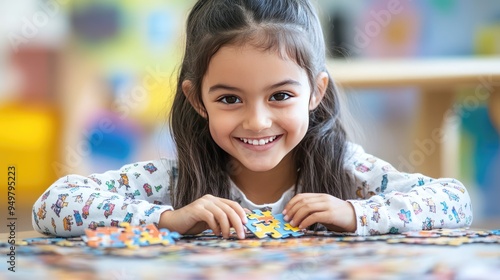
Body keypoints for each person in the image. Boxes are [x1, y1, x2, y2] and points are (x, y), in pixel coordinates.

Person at [33, 0, 473, 238]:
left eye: (281, 95)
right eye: (229, 99)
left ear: (316, 93)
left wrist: (355, 213)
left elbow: (454, 200)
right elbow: (50, 206)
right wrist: (168, 219)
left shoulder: (346, 171)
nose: (258, 121)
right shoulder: (173, 179)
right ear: (197, 99)